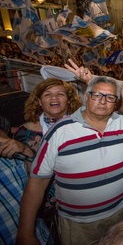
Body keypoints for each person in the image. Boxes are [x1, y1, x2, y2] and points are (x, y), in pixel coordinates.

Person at [17, 76, 123, 245]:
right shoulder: (60, 131)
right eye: (97, 95)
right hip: (80, 224)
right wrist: (26, 233)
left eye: (109, 97)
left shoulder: (122, 124)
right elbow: (37, 183)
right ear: (86, 96)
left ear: (115, 102)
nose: (103, 101)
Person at [0, 78, 82, 245]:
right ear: (38, 101)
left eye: (60, 94)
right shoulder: (25, 133)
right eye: (48, 94)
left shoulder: (81, 126)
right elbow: (26, 178)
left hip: (80, 201)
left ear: (68, 99)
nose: (54, 98)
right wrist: (26, 151)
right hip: (48, 211)